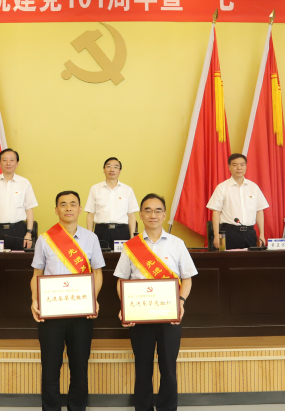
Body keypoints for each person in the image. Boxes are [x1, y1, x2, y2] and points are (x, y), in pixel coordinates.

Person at [114, 194, 197, 411]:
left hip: (170, 315)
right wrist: (125, 307)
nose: (153, 215)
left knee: (168, 367)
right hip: (140, 317)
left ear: (164, 215)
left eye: (158, 210)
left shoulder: (177, 244)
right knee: (142, 368)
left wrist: (181, 302)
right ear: (141, 215)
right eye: (148, 210)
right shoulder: (131, 246)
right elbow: (121, 280)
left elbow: (187, 279)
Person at [30, 191, 104, 411]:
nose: (68, 208)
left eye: (73, 204)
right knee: (50, 367)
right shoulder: (44, 239)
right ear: (56, 210)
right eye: (63, 204)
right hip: (51, 313)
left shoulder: (91, 238)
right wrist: (34, 299)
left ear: (80, 209)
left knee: (79, 367)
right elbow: (37, 274)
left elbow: (98, 273)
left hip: (81, 312)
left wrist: (93, 298)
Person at [0, 148, 38, 250]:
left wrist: (29, 233)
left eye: (12, 160)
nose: (8, 163)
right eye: (5, 160)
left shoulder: (24, 183)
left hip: (18, 231)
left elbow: (29, 209)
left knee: (17, 259)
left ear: (17, 163)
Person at [207, 153, 268, 250]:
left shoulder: (253, 187)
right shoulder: (222, 187)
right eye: (235, 165)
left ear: (246, 166)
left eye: (242, 164)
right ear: (229, 167)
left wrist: (262, 235)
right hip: (229, 233)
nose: (239, 168)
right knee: (229, 259)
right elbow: (216, 212)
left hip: (249, 233)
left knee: (250, 259)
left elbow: (259, 211)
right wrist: (216, 235)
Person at [85, 157, 139, 248]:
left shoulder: (127, 190)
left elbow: (131, 216)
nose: (112, 169)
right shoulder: (95, 189)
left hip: (122, 231)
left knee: (122, 256)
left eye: (116, 167)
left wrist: (132, 237)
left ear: (120, 171)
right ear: (104, 170)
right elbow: (90, 215)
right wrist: (90, 236)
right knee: (100, 256)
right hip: (101, 231)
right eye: (108, 166)